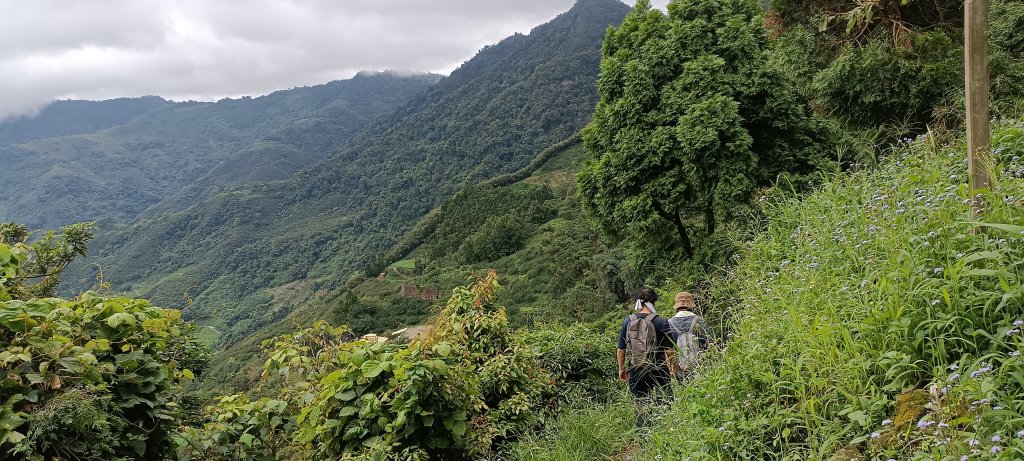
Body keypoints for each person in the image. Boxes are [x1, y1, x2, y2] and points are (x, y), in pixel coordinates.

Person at [616, 287, 676, 427]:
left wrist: (621, 369)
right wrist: (673, 368)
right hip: (659, 370)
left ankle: (644, 441)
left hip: (636, 370)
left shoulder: (627, 321)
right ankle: (666, 432)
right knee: (665, 402)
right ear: (653, 302)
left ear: (638, 303)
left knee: (640, 406)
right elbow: (670, 351)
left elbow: (621, 350)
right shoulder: (661, 322)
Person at [667, 291, 709, 382]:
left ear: (677, 307)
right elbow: (709, 342)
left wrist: (674, 369)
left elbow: (669, 350)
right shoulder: (699, 320)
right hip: (701, 367)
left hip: (680, 370)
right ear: (691, 306)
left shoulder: (669, 323)